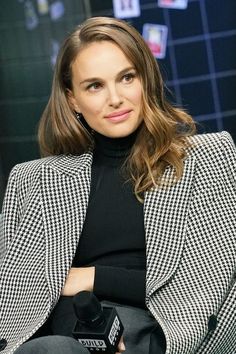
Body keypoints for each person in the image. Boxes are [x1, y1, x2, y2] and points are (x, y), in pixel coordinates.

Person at [0, 16, 235, 354]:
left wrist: (92, 276)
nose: (115, 98)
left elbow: (207, 283)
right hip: (64, 337)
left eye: (126, 77)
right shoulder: (32, 179)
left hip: (171, 334)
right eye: (94, 86)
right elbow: (15, 296)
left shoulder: (208, 158)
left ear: (145, 79)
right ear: (72, 99)